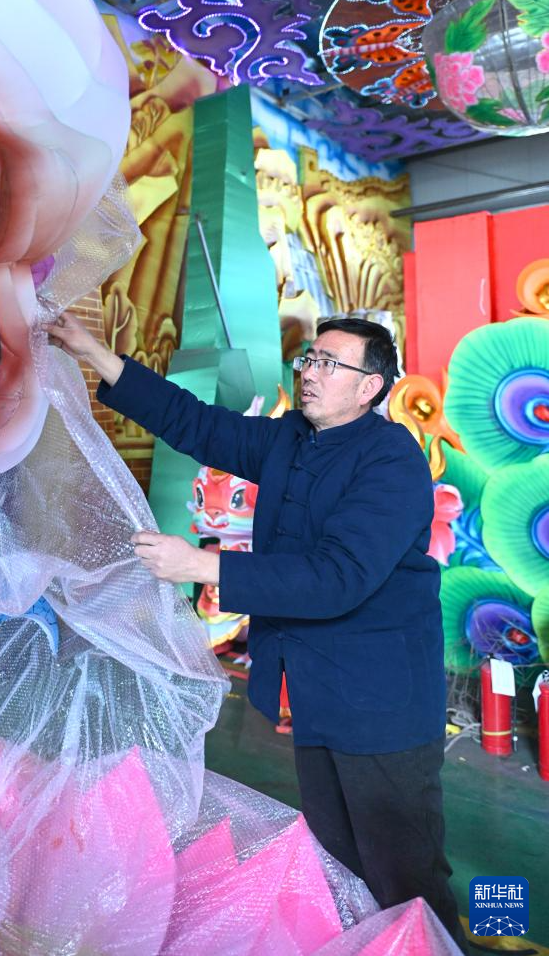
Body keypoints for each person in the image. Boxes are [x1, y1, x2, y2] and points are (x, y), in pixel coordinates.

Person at [48, 310, 469, 953]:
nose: (311, 373)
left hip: (380, 698)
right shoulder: (291, 437)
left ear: (370, 387)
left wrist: (201, 566)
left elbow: (338, 577)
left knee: (405, 871)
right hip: (316, 689)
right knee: (337, 862)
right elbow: (197, 424)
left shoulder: (391, 460)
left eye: (331, 364)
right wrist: (93, 352)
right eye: (310, 360)